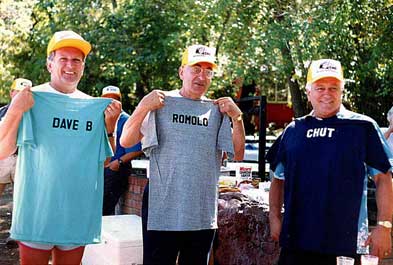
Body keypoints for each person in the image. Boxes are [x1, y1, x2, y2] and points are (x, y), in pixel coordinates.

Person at [0, 30, 121, 265]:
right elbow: (3, 150)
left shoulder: (93, 106)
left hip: (78, 212)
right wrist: (15, 110)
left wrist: (109, 126)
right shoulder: (32, 99)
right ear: (49, 64)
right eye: (63, 59)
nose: (70, 65)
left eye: (77, 60)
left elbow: (105, 161)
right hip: (37, 211)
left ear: (83, 67)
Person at [120, 44, 245, 264]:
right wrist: (142, 107)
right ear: (181, 72)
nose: (201, 76)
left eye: (208, 71)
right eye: (195, 69)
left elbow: (239, 154)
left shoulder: (217, 109)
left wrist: (238, 118)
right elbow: (126, 141)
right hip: (162, 206)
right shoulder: (161, 103)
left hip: (201, 210)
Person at [267, 59, 393, 265]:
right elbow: (278, 179)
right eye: (320, 87)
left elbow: (383, 178)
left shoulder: (362, 127)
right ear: (308, 93)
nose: (327, 93)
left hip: (345, 244)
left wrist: (384, 225)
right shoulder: (293, 130)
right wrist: (274, 217)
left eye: (334, 87)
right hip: (296, 241)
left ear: (342, 91)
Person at [101, 85, 143, 216]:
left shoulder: (127, 120)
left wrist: (117, 162)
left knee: (105, 209)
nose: (110, 103)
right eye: (106, 99)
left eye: (114, 99)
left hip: (115, 170)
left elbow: (137, 149)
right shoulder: (99, 118)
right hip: (100, 169)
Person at [0, 78, 32, 197]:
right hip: (3, 158)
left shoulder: (33, 115)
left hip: (23, 158)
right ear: (11, 92)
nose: (21, 96)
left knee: (21, 196)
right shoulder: (2, 112)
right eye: (18, 92)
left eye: (25, 93)